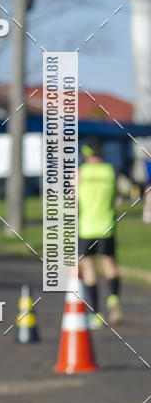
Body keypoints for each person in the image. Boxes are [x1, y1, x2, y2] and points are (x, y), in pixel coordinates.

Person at [78, 138, 122, 327]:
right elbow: (116, 198)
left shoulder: (80, 173)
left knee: (89, 268)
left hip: (87, 228)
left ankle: (96, 313)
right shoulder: (111, 171)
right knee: (109, 264)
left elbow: (73, 200)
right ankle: (113, 299)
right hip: (107, 226)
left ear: (85, 154)